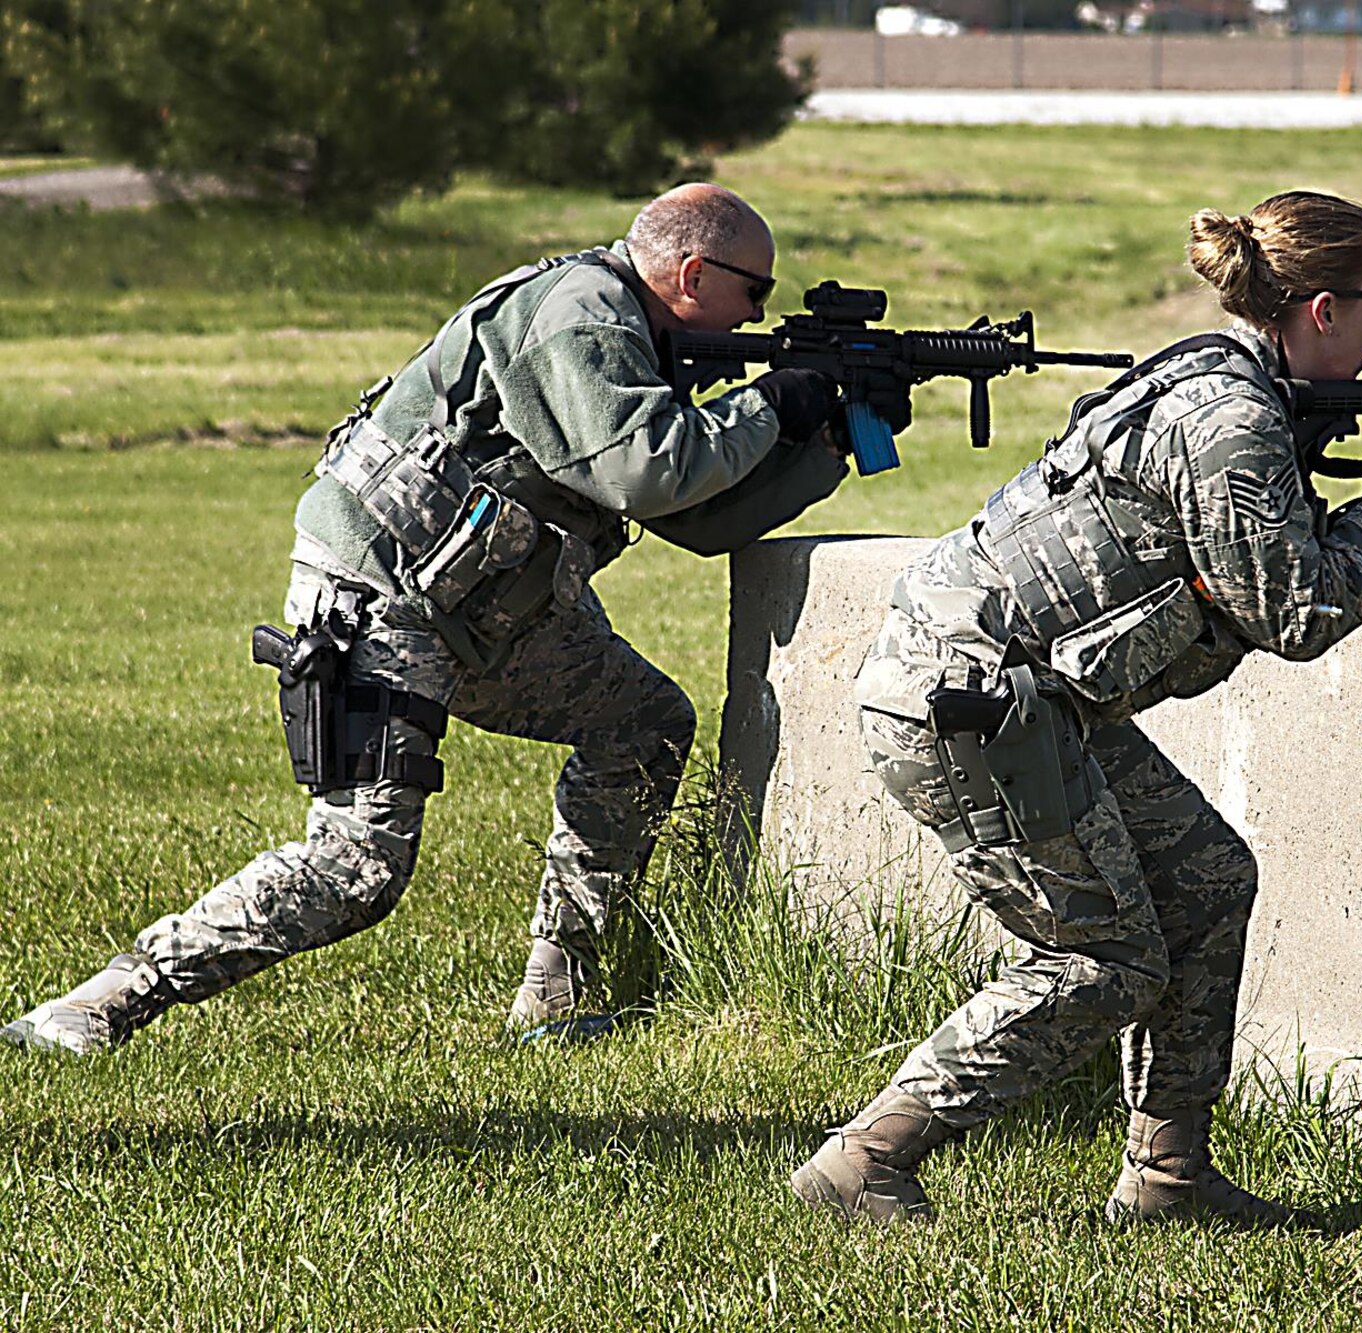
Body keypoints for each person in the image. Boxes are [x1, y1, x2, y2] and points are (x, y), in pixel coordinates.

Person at [5, 183, 875, 1055]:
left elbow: (694, 519)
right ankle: (102, 1000)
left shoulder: (630, 334)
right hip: (379, 601)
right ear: (691, 273)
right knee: (358, 866)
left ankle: (561, 993)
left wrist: (824, 444)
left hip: (479, 604)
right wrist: (772, 405)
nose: (760, 315)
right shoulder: (585, 315)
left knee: (643, 724)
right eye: (755, 293)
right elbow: (648, 472)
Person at [790, 189, 1362, 1228]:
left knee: (1207, 884)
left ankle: (1168, 1175)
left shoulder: (1216, 377)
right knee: (1101, 960)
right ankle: (866, 1159)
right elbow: (1299, 610)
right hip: (972, 702)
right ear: (1319, 308)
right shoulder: (1230, 417)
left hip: (1016, 696)